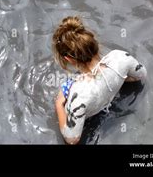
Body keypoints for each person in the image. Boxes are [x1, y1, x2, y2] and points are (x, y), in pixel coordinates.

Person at [52, 16, 147, 144]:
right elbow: (141, 75)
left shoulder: (78, 95)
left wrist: (59, 104)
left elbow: (72, 139)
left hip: (91, 117)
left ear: (69, 59)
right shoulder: (121, 58)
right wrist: (116, 79)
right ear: (93, 42)